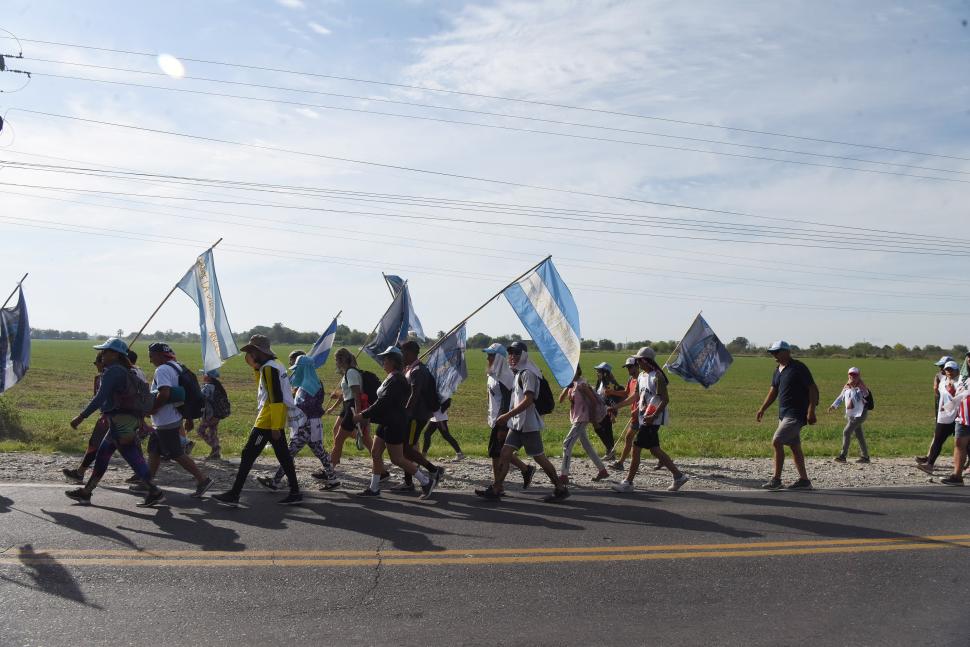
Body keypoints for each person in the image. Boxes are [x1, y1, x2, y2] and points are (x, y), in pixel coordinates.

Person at [64, 338, 165, 506]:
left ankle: (154, 491)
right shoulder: (123, 370)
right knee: (103, 455)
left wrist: (81, 417)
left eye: (106, 351)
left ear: (115, 354)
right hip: (122, 420)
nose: (102, 354)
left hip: (121, 421)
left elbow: (100, 398)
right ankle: (86, 492)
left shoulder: (114, 371)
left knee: (131, 456)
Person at [213, 335, 304, 507]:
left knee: (248, 454)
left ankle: (234, 494)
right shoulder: (275, 365)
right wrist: (256, 368)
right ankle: (295, 492)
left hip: (268, 419)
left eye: (251, 351)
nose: (250, 355)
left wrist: (275, 426)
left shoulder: (269, 368)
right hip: (274, 416)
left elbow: (275, 397)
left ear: (259, 352)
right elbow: (265, 388)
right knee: (283, 456)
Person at [480, 341, 568, 502]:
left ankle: (560, 488)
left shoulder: (528, 374)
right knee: (504, 453)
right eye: (510, 353)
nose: (513, 356)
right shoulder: (518, 373)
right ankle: (497, 488)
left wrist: (507, 415)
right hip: (517, 425)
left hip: (528, 425)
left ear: (524, 355)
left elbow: (528, 400)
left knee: (539, 458)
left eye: (517, 353)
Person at [353, 346, 438, 499]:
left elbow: (383, 402)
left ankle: (426, 481)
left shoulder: (396, 380)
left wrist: (363, 415)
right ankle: (374, 488)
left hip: (395, 423)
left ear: (393, 361)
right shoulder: (392, 377)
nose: (383, 362)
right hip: (386, 421)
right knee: (375, 452)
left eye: (385, 359)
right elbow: (381, 401)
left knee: (397, 459)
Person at [257, 351, 339, 492]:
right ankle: (333, 479)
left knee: (288, 454)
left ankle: (275, 482)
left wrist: (290, 405)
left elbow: (304, 406)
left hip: (305, 425)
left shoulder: (306, 386)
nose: (296, 372)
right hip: (313, 424)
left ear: (303, 369)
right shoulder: (314, 383)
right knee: (320, 452)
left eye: (298, 368)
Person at [610, 347, 689, 493]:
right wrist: (617, 406)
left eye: (639, 360)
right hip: (644, 418)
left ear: (645, 361)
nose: (637, 363)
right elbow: (636, 396)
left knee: (636, 447)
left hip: (652, 420)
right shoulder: (641, 376)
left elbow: (665, 399)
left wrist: (654, 416)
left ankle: (628, 482)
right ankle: (679, 476)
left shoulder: (657, 377)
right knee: (654, 449)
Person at [143, 342, 212, 497]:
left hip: (165, 420)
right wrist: (188, 417)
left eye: (151, 356)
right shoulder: (177, 366)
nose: (150, 360)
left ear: (160, 355)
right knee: (154, 450)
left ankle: (203, 480)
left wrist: (153, 409)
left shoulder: (162, 369)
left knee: (176, 453)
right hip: (172, 417)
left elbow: (165, 393)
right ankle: (147, 483)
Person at [756, 340, 818, 490]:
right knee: (794, 446)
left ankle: (776, 480)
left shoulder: (798, 367)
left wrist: (811, 410)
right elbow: (773, 391)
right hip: (783, 414)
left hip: (796, 413)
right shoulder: (778, 370)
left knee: (777, 441)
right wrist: (762, 408)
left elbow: (812, 388)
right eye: (772, 352)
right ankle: (804, 481)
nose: (774, 355)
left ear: (786, 352)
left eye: (776, 352)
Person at [475, 343, 535, 497]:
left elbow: (508, 400)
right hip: (495, 418)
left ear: (499, 358)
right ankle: (524, 470)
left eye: (491, 355)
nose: (488, 358)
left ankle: (498, 486)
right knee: (499, 452)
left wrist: (503, 426)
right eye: (488, 355)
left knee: (497, 452)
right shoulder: (492, 374)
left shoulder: (504, 376)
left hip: (502, 420)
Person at [329, 348, 388, 481]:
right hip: (348, 407)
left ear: (341, 360)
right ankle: (382, 471)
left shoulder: (351, 373)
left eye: (336, 360)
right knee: (364, 439)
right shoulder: (349, 372)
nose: (335, 362)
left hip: (352, 409)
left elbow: (357, 395)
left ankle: (329, 470)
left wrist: (359, 415)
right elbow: (349, 393)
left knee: (339, 439)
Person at [397, 340, 443, 492]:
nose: (401, 356)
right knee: (406, 449)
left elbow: (414, 395)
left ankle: (434, 470)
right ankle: (408, 482)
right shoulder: (413, 368)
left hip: (416, 416)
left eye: (403, 353)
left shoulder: (417, 371)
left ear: (410, 353)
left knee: (407, 449)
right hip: (415, 415)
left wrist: (405, 413)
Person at [62, 352, 111, 484]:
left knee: (95, 445)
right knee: (129, 449)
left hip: (109, 417)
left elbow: (98, 399)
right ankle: (145, 478)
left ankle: (81, 475)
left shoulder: (107, 376)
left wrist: (81, 417)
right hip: (127, 419)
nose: (96, 366)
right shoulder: (129, 372)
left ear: (103, 361)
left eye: (96, 363)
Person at [558, 366, 609, 484]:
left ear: (577, 371)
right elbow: (560, 400)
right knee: (586, 445)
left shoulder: (582, 384)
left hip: (582, 418)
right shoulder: (572, 384)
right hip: (576, 418)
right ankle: (602, 470)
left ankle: (564, 475)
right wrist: (567, 387)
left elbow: (594, 401)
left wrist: (593, 419)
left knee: (567, 444)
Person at [917, 359, 960, 475]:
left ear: (957, 371)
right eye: (947, 370)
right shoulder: (942, 382)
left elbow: (960, 398)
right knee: (937, 440)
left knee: (963, 443)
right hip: (944, 417)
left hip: (958, 417)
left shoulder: (960, 382)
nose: (949, 372)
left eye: (952, 370)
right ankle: (929, 465)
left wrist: (948, 405)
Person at [829, 367, 871, 464]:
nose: (853, 376)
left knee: (846, 432)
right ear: (848, 375)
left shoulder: (861, 386)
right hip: (851, 414)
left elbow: (866, 395)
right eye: (851, 374)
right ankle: (865, 457)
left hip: (860, 414)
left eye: (855, 374)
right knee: (859, 435)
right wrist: (833, 405)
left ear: (859, 376)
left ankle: (842, 456)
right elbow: (841, 397)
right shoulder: (846, 386)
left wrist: (858, 387)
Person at [609, 357, 641, 472]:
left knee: (633, 439)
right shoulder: (631, 379)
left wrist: (616, 406)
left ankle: (622, 463)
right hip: (635, 414)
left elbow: (633, 398)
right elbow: (627, 393)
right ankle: (622, 463)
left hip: (641, 413)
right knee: (636, 439)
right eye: (627, 367)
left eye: (630, 367)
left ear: (637, 366)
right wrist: (612, 392)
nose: (628, 369)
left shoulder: (641, 379)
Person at [591, 362, 625, 461]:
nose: (597, 373)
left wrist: (613, 413)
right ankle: (610, 452)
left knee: (602, 429)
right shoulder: (600, 381)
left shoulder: (610, 384)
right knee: (607, 431)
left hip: (607, 411)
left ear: (604, 373)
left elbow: (613, 399)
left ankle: (610, 451)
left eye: (599, 371)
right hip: (601, 410)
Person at [941, 367, 970, 485]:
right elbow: (959, 394)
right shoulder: (964, 378)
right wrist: (952, 391)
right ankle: (957, 476)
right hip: (963, 417)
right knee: (959, 444)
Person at [197, 368, 227, 460]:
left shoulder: (208, 387)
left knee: (200, 431)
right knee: (213, 432)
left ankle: (215, 447)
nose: (203, 376)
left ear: (209, 377)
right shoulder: (217, 386)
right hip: (217, 414)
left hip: (210, 414)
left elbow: (200, 397)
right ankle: (215, 453)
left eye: (204, 374)